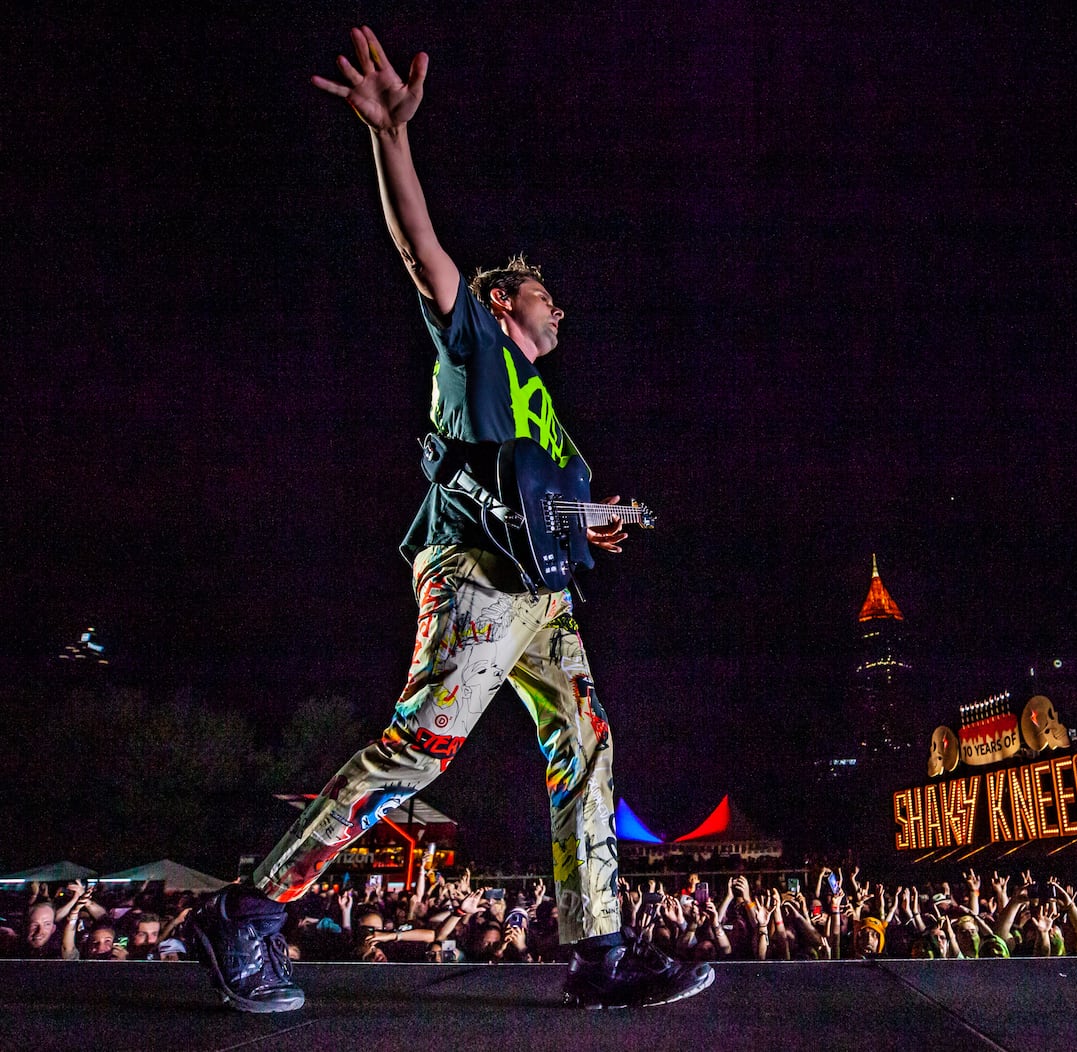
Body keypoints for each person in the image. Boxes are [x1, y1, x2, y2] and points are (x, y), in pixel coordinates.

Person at [188, 25, 712, 1012]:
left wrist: (608, 519)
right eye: (546, 292)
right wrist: (391, 137)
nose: (562, 308)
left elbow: (552, 506)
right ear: (506, 296)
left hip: (538, 592)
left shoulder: (554, 421)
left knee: (587, 738)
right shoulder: (474, 339)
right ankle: (248, 910)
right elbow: (417, 243)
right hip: (473, 571)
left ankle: (598, 947)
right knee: (419, 746)